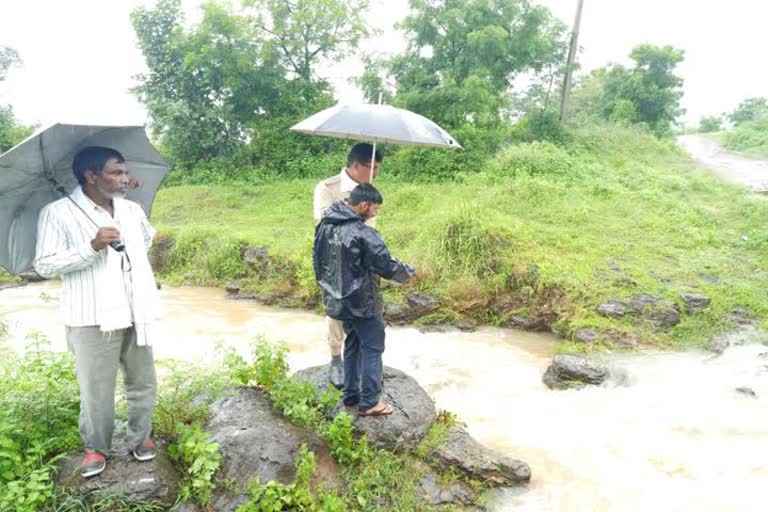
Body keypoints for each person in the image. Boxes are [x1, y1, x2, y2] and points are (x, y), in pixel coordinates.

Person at [34, 146, 160, 478]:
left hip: (136, 308)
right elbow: (44, 264)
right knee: (96, 388)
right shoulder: (57, 213)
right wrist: (91, 247)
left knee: (143, 380)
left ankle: (141, 438)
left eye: (124, 171)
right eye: (116, 172)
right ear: (91, 176)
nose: (125, 178)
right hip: (91, 315)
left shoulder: (131, 210)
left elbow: (146, 240)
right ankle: (96, 447)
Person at [313, 183, 415, 416]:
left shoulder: (325, 226)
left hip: (338, 301)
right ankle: (370, 402)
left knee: (353, 344)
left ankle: (351, 395)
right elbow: (384, 264)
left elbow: (317, 261)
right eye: (375, 209)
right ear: (363, 205)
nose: (375, 214)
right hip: (363, 302)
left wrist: (329, 290)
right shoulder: (364, 233)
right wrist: (407, 273)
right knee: (372, 348)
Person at [313, 143, 383, 388]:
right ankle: (335, 359)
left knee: (365, 306)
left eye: (378, 169)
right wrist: (358, 207)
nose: (375, 174)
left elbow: (372, 228)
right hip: (336, 258)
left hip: (365, 257)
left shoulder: (371, 190)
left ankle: (357, 361)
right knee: (336, 307)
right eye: (372, 168)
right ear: (355, 165)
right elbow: (325, 221)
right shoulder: (327, 188)